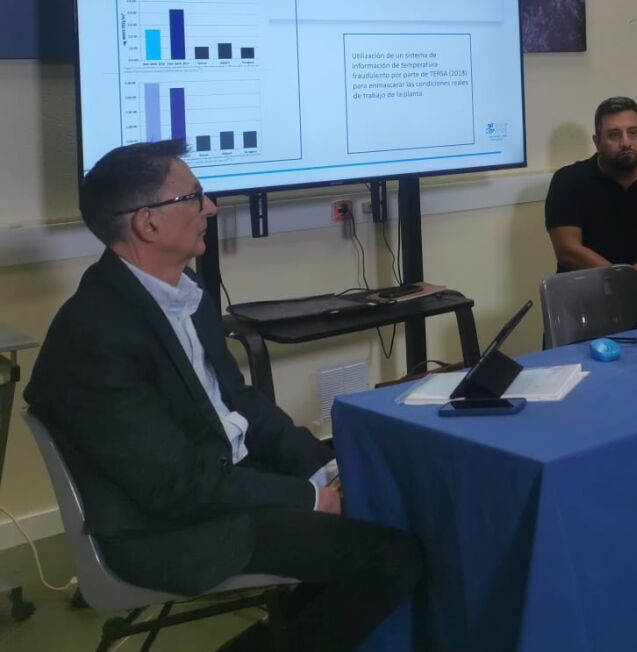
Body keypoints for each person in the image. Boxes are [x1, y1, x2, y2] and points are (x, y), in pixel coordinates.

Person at [24, 141, 422, 652]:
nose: (209, 207)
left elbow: (242, 403)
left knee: (387, 506)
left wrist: (324, 467)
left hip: (222, 485)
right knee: (392, 558)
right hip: (166, 531)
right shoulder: (95, 334)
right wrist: (308, 498)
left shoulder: (183, 293)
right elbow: (173, 486)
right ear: (148, 223)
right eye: (194, 197)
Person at [545, 96, 637, 276]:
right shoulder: (569, 181)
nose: (625, 143)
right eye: (614, 135)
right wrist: (624, 281)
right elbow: (568, 251)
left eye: (633, 132)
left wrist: (633, 280)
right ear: (597, 141)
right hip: (587, 287)